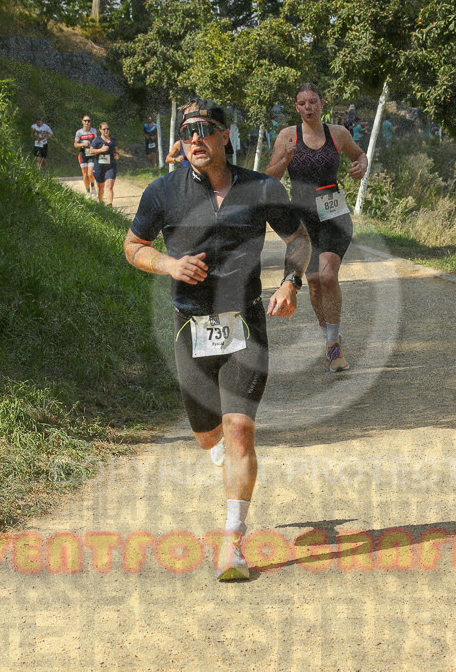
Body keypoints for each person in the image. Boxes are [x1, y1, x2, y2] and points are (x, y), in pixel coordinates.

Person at [123, 99, 311, 582]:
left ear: (226, 135)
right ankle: (224, 458)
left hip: (246, 324)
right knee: (208, 434)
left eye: (206, 130)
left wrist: (291, 282)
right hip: (191, 327)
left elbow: (300, 241)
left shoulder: (262, 187)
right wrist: (168, 265)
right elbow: (133, 246)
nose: (196, 139)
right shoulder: (163, 191)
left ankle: (233, 543)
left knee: (240, 429)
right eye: (188, 132)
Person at [266, 83, 367, 372]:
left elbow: (360, 155)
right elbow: (269, 177)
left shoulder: (338, 134)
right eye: (302, 103)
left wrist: (361, 166)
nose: (308, 107)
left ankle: (334, 349)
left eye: (313, 102)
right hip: (302, 214)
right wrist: (285, 158)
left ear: (322, 103)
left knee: (328, 276)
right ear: (295, 107)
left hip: (333, 210)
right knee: (312, 283)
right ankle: (329, 337)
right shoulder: (287, 136)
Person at [89, 122, 119, 206]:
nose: (106, 131)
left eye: (108, 129)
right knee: (101, 186)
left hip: (111, 166)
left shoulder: (112, 140)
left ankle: (110, 205)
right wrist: (101, 150)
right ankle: (101, 203)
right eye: (104, 129)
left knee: (109, 186)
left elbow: (116, 150)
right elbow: (91, 151)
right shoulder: (97, 140)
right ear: (100, 130)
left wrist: (116, 154)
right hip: (99, 166)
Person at [74, 115, 97, 195]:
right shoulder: (79, 132)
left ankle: (93, 187)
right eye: (85, 121)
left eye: (88, 121)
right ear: (82, 121)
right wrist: (82, 144)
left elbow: (96, 141)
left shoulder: (93, 131)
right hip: (83, 154)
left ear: (90, 122)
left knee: (90, 173)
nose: (87, 122)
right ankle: (88, 192)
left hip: (91, 154)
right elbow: (75, 145)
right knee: (85, 174)